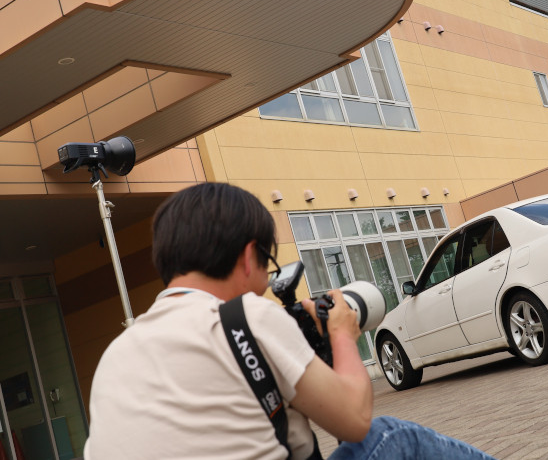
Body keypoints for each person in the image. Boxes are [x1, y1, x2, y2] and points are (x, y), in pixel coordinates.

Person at [84, 182, 495, 460]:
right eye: (267, 264)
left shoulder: (116, 353)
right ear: (249, 256)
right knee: (389, 437)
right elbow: (353, 421)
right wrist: (341, 334)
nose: (265, 283)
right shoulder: (244, 316)